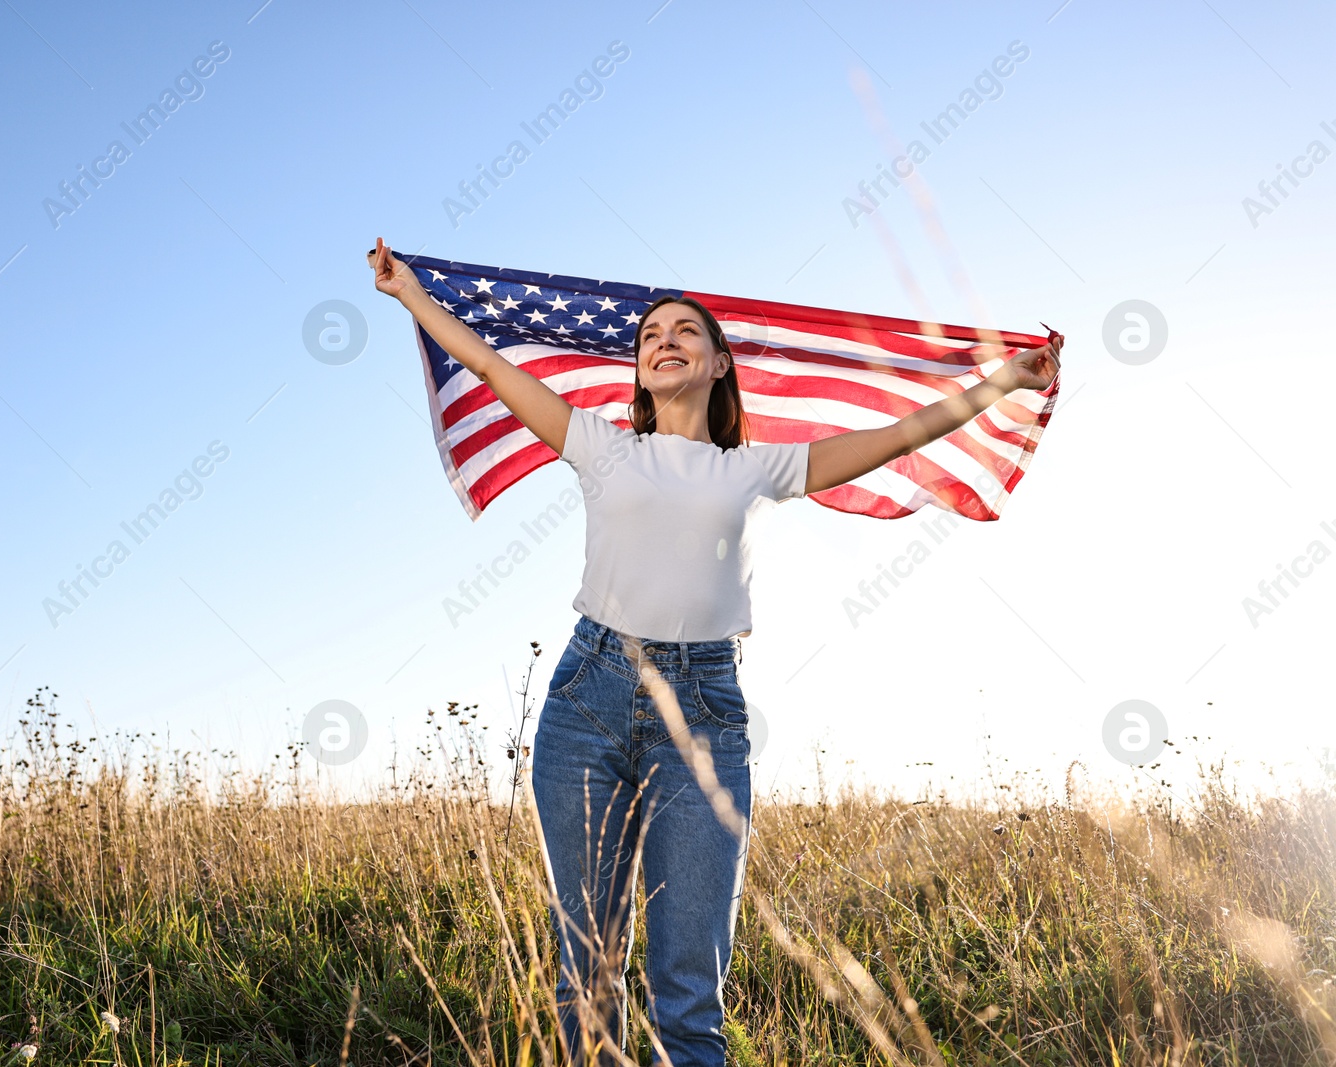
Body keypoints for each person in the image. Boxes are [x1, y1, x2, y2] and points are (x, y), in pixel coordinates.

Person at [368, 237, 1063, 1066]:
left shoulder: (757, 468)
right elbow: (486, 363)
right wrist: (410, 293)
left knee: (688, 994)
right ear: (638, 369)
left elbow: (900, 433)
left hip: (703, 718)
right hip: (587, 700)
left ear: (720, 360)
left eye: (685, 331)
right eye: (651, 333)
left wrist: (1001, 382)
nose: (664, 339)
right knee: (586, 972)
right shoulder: (602, 445)